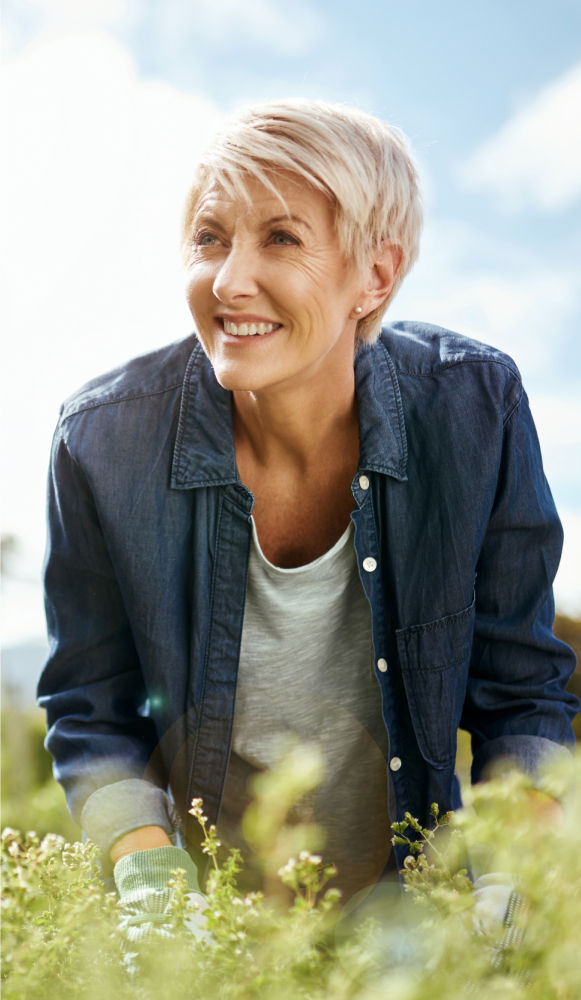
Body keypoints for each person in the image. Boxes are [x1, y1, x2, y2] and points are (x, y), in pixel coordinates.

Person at [38, 99, 578, 929]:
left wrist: (513, 887)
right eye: (211, 237)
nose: (228, 280)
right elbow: (94, 709)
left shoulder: (475, 406)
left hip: (412, 904)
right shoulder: (100, 442)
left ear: (376, 275)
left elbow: (520, 693)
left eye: (280, 238)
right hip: (211, 914)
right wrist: (155, 889)